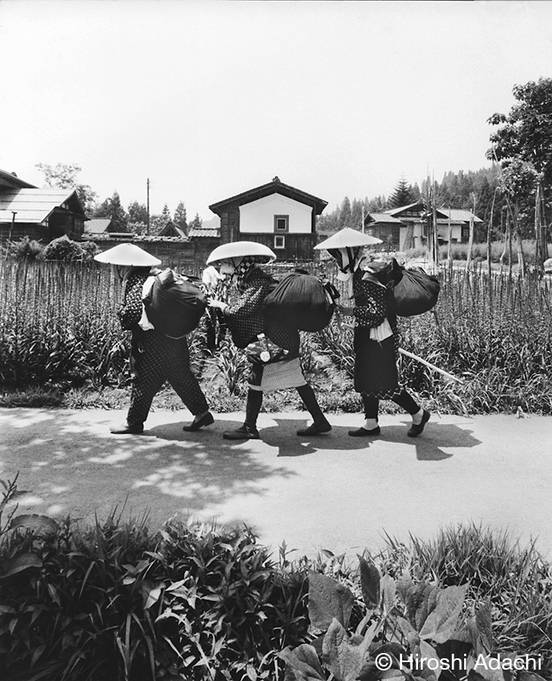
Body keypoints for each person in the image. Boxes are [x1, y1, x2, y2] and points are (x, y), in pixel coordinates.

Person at [206, 241, 331, 440]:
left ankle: (249, 427)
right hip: (281, 338)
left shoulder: (257, 282)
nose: (222, 266)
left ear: (238, 261)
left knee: (256, 380)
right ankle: (320, 421)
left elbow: (241, 310)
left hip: (272, 341)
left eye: (225, 262)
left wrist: (221, 305)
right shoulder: (249, 280)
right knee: (296, 380)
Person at [315, 229, 430, 438]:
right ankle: (371, 423)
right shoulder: (360, 272)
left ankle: (418, 413)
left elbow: (377, 313)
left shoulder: (367, 275)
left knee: (385, 382)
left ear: (349, 254)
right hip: (369, 335)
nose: (337, 263)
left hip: (379, 337)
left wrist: (351, 311)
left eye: (338, 257)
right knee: (366, 378)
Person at [94, 244, 214, 435]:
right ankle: (202, 412)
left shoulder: (136, 280)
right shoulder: (155, 277)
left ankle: (134, 423)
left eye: (115, 266)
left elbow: (132, 314)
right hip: (174, 336)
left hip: (152, 341)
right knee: (180, 375)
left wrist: (121, 313)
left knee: (143, 379)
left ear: (124, 266)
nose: (113, 270)